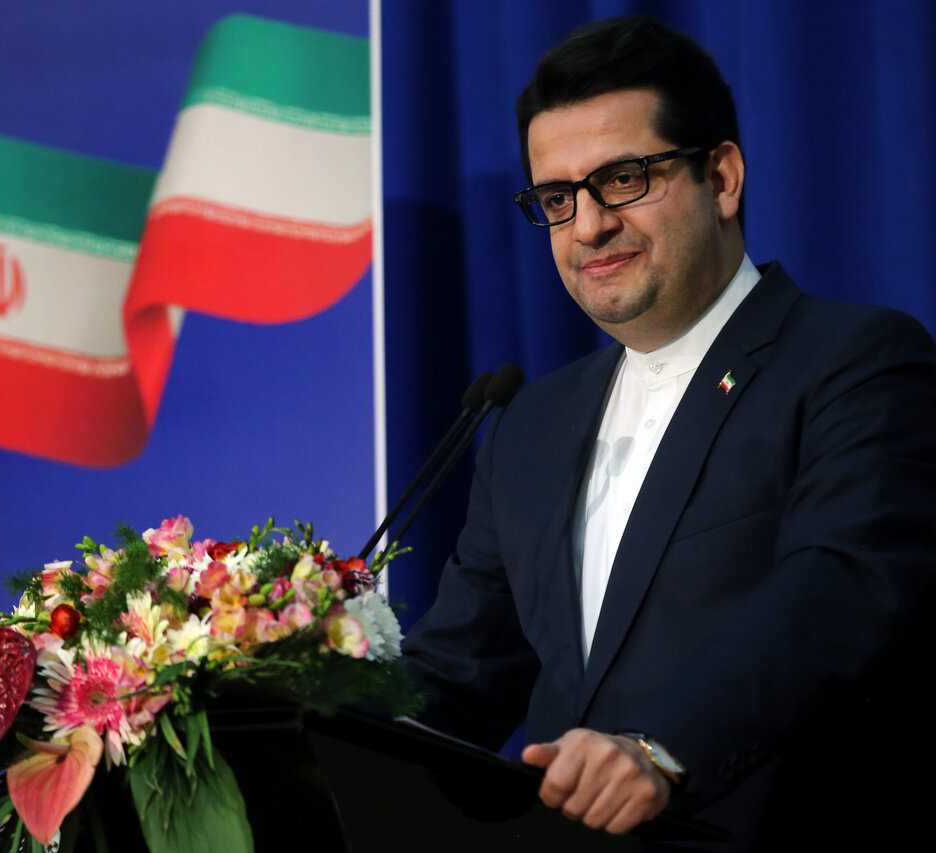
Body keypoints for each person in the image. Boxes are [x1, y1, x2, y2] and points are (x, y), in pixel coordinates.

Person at [400, 15, 936, 851]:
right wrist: (265, 712)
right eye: (557, 198)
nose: (588, 227)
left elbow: (836, 589)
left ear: (721, 178)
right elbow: (459, 674)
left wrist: (660, 747)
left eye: (622, 179)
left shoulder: (855, 361)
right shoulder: (530, 425)